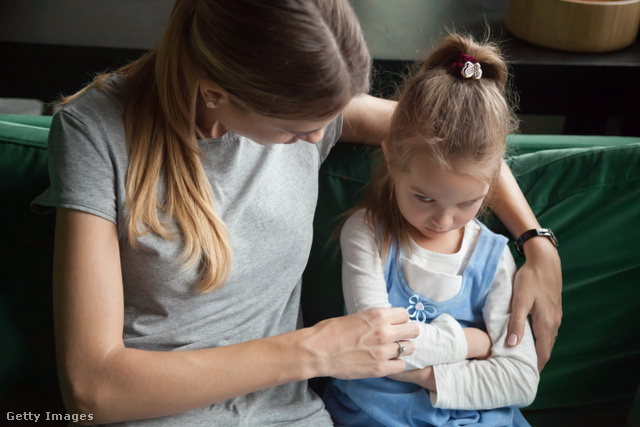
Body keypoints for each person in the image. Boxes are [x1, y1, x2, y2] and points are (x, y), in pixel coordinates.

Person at [29, 0, 559, 425]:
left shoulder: (308, 106)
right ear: (215, 93)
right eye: (296, 130)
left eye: (331, 118)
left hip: (292, 416)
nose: (315, 138)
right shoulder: (94, 135)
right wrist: (314, 353)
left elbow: (462, 140)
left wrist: (535, 241)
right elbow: (91, 390)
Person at [323, 33, 540, 426]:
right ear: (391, 159)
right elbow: (374, 343)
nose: (442, 220)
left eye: (468, 203)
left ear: (493, 181)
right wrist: (470, 343)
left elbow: (521, 379)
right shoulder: (368, 233)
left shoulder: (494, 257)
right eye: (423, 198)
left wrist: (422, 373)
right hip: (377, 415)